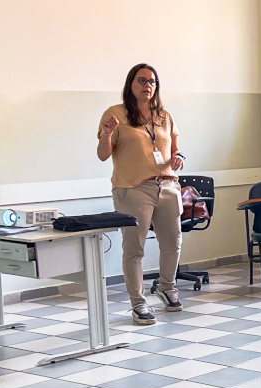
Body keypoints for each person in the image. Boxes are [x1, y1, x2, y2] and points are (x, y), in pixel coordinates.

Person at [97, 63, 185, 326]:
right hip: (133, 188)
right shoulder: (115, 114)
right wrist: (107, 134)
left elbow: (175, 147)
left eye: (152, 81)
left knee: (172, 243)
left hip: (167, 185)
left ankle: (167, 287)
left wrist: (178, 156)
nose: (148, 85)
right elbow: (103, 154)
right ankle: (138, 302)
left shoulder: (164, 115)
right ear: (131, 84)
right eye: (142, 80)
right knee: (135, 249)